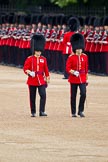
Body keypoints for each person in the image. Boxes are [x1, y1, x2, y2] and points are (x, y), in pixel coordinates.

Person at [23, 34, 50, 117]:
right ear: (34, 50)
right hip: (32, 80)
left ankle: (42, 111)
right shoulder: (30, 58)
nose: (39, 52)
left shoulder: (43, 59)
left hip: (41, 80)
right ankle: (33, 112)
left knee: (43, 95)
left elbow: (46, 70)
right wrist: (29, 72)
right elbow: (25, 68)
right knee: (32, 97)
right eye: (37, 51)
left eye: (40, 51)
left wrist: (47, 78)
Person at [66, 33, 88, 117]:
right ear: (75, 49)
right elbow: (68, 68)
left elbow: (86, 68)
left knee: (83, 93)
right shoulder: (71, 57)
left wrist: (86, 78)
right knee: (73, 95)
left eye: (81, 49)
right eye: (78, 49)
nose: (80, 50)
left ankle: (81, 110)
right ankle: (73, 112)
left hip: (82, 78)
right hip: (73, 78)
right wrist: (73, 72)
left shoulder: (85, 56)